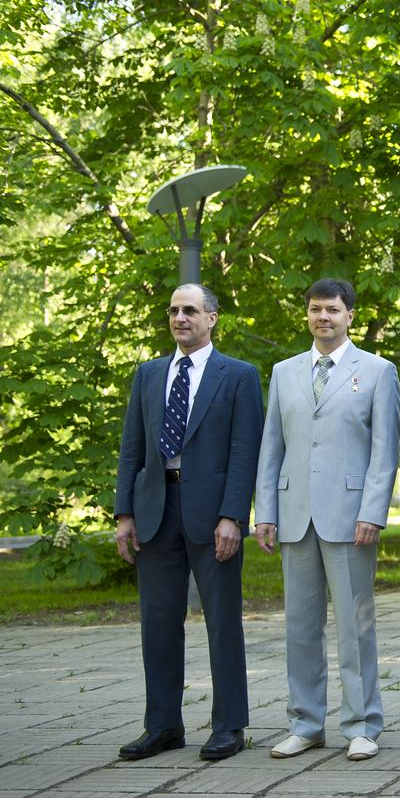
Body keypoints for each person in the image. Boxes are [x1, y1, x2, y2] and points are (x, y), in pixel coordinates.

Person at [113, 283, 263, 761]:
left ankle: (229, 727)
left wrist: (233, 516)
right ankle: (162, 726)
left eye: (190, 310)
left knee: (222, 623)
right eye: (174, 311)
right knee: (157, 624)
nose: (180, 318)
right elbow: (131, 449)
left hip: (212, 513)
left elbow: (245, 452)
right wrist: (124, 513)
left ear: (212, 318)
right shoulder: (148, 374)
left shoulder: (238, 376)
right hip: (156, 510)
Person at [253, 278, 400, 762]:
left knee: (355, 627)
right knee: (299, 626)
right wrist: (266, 512)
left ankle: (362, 723)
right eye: (316, 309)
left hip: (350, 515)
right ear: (307, 315)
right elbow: (271, 447)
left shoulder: (378, 372)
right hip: (294, 515)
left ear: (350, 315)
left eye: (333, 310)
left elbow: (384, 451)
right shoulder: (283, 372)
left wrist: (373, 511)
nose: (324, 317)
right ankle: (305, 722)